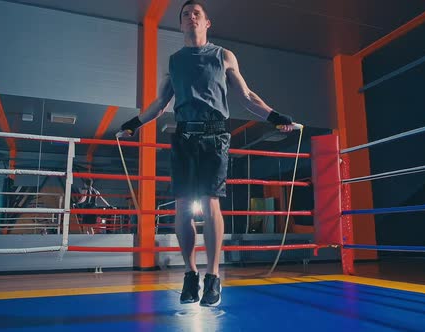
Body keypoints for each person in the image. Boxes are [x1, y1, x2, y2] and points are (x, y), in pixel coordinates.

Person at [117, 0, 296, 307]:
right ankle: (190, 274)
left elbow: (247, 96)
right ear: (181, 24)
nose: (191, 17)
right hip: (184, 134)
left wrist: (275, 116)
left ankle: (213, 277)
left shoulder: (223, 55)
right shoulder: (174, 61)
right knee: (184, 207)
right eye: (185, 14)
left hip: (215, 135)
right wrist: (133, 124)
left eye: (196, 13)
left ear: (207, 22)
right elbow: (160, 104)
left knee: (210, 203)